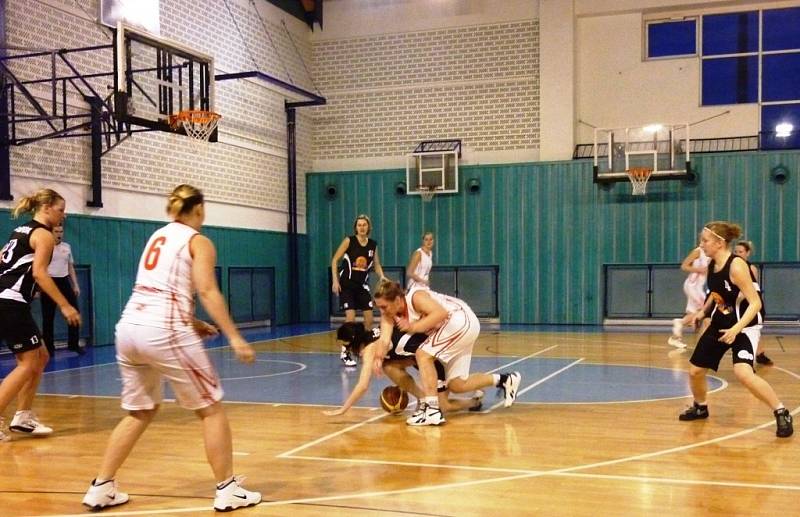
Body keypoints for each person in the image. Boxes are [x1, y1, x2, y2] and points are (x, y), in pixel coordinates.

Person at [82, 185, 261, 512]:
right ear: (199, 209)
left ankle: (101, 486)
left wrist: (192, 322)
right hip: (164, 332)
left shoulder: (156, 237)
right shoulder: (198, 241)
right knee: (210, 407)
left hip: (129, 330)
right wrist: (235, 336)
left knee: (140, 411)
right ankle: (227, 489)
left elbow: (157, 292)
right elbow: (206, 290)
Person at [678, 222, 792, 438]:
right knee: (694, 371)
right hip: (721, 322)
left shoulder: (737, 266)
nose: (701, 244)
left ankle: (781, 411)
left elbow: (755, 303)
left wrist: (736, 329)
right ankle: (701, 406)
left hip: (745, 325)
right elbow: (716, 292)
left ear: (719, 243)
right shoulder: (712, 264)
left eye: (705, 240)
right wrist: (702, 312)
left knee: (743, 373)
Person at [372, 281, 521, 426]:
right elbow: (384, 340)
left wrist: (413, 326)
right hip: (461, 327)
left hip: (460, 320)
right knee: (457, 384)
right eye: (379, 307)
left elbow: (440, 313)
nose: (382, 311)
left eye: (384, 306)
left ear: (397, 300)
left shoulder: (415, 297)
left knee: (422, 355)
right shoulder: (388, 316)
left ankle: (432, 410)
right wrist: (379, 357)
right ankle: (505, 380)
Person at [0, 188, 80, 440]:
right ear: (46, 208)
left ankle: (23, 417)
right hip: (10, 301)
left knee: (41, 355)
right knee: (28, 363)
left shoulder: (21, 230)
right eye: (61, 209)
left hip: (10, 300)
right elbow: (40, 273)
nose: (63, 215)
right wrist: (65, 305)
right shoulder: (43, 235)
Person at [323, 322, 483, 416]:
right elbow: (405, 357)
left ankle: (473, 401)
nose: (346, 349)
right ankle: (423, 398)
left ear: (352, 342)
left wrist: (344, 409)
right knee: (388, 366)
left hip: (430, 357)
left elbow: (363, 385)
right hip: (423, 356)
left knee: (444, 404)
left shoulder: (370, 349)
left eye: (345, 345)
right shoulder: (377, 333)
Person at [330, 214, 387, 367]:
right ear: (356, 227)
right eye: (359, 225)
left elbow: (376, 265)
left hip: (362, 286)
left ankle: (364, 349)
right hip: (347, 285)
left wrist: (382, 276)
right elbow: (335, 259)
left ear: (369, 227)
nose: (362, 227)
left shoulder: (373, 245)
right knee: (350, 319)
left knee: (369, 319)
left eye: (364, 225)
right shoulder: (349, 241)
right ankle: (345, 352)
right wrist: (335, 281)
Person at [41, 224, 84, 356]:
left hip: (64, 281)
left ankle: (74, 344)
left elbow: (70, 267)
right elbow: (39, 267)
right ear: (51, 232)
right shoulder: (46, 247)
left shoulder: (67, 247)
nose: (59, 233)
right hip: (49, 281)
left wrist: (75, 285)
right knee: (48, 317)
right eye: (56, 231)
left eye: (61, 231)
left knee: (74, 312)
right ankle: (49, 348)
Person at [734, 240, 772, 366]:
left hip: (750, 304)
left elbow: (751, 290)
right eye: (736, 252)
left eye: (741, 252)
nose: (738, 254)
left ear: (747, 253)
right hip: (738, 304)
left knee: (752, 330)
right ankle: (758, 354)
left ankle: (752, 358)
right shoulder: (733, 267)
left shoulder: (751, 268)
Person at [669, 240, 710, 348]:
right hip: (693, 285)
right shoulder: (698, 251)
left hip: (699, 286)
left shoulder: (711, 254)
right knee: (706, 308)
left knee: (693, 313)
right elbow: (684, 266)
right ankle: (680, 322)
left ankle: (675, 338)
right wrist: (699, 269)